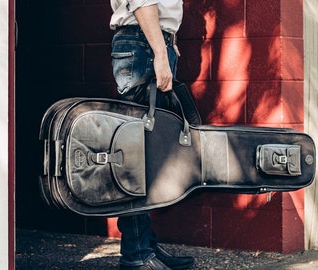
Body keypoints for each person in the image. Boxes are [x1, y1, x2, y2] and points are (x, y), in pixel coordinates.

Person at [110, 1, 195, 269]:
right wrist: (160, 50)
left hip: (151, 40)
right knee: (136, 154)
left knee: (149, 153)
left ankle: (145, 245)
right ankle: (136, 254)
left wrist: (168, 43)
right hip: (144, 43)